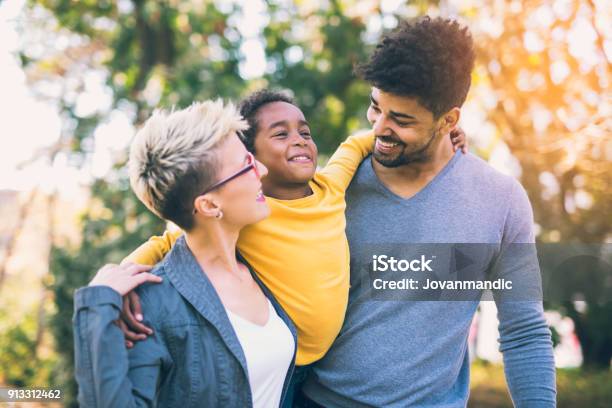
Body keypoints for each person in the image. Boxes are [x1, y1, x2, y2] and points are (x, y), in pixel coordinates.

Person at [118, 90, 468, 406]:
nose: (300, 141)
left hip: (328, 369)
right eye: (281, 134)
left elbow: (364, 141)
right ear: (251, 158)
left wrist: (439, 134)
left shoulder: (331, 185)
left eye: (304, 132)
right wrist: (118, 281)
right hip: (281, 365)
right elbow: (168, 242)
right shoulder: (248, 213)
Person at [299, 16, 556, 407]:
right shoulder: (339, 184)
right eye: (375, 108)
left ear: (449, 119)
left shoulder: (500, 200)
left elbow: (524, 332)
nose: (379, 128)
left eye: (400, 120)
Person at [73, 100, 297, 407]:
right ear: (209, 205)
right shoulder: (150, 307)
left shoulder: (259, 265)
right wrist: (97, 306)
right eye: (246, 164)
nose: (262, 168)